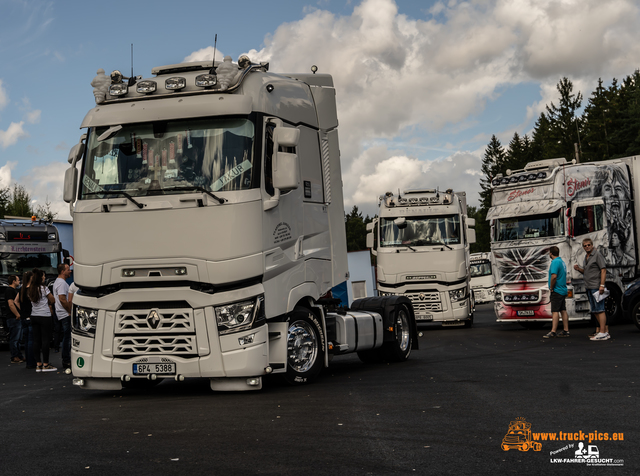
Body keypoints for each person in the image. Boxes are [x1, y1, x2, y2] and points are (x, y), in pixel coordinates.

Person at [573, 238, 609, 341]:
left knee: (600, 309)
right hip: (589, 286)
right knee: (595, 310)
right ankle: (604, 331)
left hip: (596, 286)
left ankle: (603, 332)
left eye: (589, 245)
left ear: (592, 245)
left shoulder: (597, 255)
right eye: (585, 245)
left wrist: (601, 285)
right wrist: (579, 269)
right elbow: (588, 271)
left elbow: (603, 270)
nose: (587, 247)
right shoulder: (586, 257)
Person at [28, 268, 57, 371]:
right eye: (43, 276)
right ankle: (46, 364)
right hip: (44, 316)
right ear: (40, 278)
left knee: (36, 340)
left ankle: (38, 364)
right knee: (45, 340)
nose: (45, 277)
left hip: (34, 315)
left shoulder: (30, 288)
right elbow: (52, 299)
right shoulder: (44, 288)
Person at [544, 246, 569, 338]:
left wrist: (551, 287)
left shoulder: (554, 262)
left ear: (551, 253)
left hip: (557, 290)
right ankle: (566, 330)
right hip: (563, 289)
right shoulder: (562, 262)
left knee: (555, 311)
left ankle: (553, 331)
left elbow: (554, 276)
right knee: (563, 310)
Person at [53, 263, 72, 370]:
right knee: (67, 338)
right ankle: (66, 360)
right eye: (68, 269)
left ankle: (66, 359)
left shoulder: (58, 282)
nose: (70, 271)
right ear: (62, 271)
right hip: (65, 313)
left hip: (60, 313)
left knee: (66, 337)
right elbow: (62, 298)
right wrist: (69, 311)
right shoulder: (61, 283)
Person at [14, 271, 35, 369]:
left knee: (27, 341)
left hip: (23, 317)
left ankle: (28, 362)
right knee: (32, 341)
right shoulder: (31, 289)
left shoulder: (21, 290)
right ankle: (32, 362)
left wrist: (22, 310)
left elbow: (15, 301)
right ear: (31, 278)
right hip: (31, 316)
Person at [5, 275, 25, 363]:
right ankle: (15, 356)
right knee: (15, 338)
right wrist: (17, 314)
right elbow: (11, 304)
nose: (19, 281)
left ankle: (19, 355)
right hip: (13, 318)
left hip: (14, 317)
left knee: (18, 338)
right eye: (17, 280)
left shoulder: (13, 290)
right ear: (13, 281)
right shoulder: (9, 291)